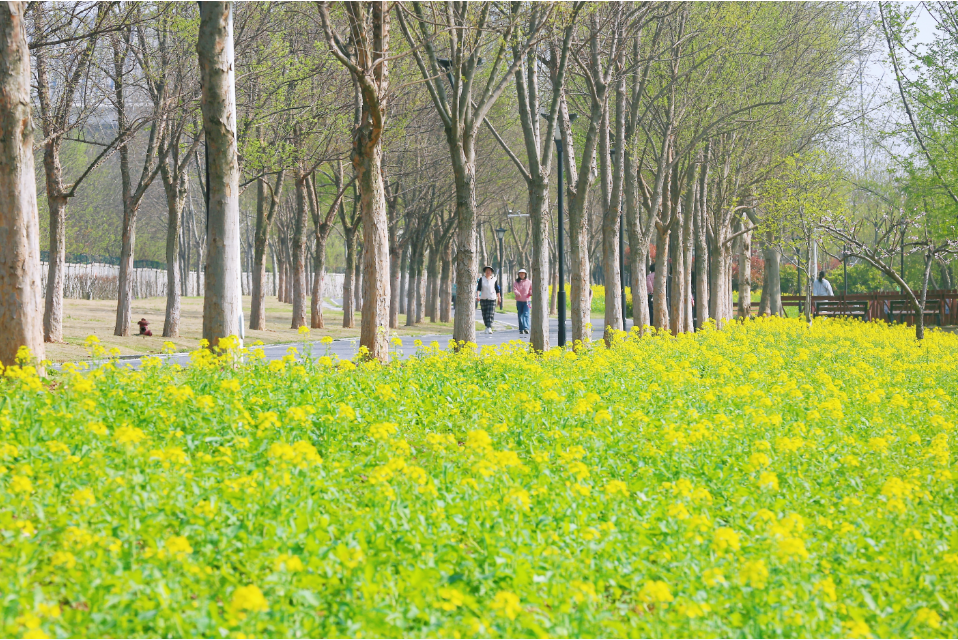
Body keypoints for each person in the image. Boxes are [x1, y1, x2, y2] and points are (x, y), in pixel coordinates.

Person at [476, 266, 501, 335]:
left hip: (492, 298)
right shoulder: (482, 279)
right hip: (483, 298)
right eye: (487, 270)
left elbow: (497, 289)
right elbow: (479, 288)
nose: (488, 272)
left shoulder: (494, 279)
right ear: (485, 271)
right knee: (484, 314)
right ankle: (487, 326)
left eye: (489, 271)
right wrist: (478, 296)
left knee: (490, 313)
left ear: (491, 272)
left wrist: (499, 297)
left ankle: (489, 327)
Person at [514, 268, 532, 335]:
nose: (522, 275)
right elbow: (515, 289)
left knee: (526, 314)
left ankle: (526, 328)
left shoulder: (529, 282)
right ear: (518, 274)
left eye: (523, 273)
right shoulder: (516, 282)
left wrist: (530, 293)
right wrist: (517, 293)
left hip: (527, 301)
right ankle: (521, 329)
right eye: (520, 273)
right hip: (519, 301)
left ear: (525, 274)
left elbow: (531, 289)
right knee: (520, 315)